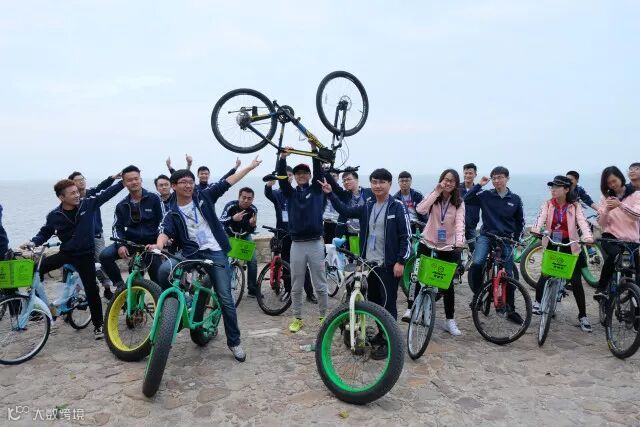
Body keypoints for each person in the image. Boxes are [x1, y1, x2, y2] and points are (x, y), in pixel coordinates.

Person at [153, 157, 262, 362]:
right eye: (183, 182)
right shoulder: (172, 212)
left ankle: (234, 342)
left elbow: (229, 181)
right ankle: (178, 306)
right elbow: (164, 232)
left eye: (191, 181)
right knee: (164, 270)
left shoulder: (204, 196)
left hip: (215, 251)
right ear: (174, 186)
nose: (188, 185)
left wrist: (248, 167)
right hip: (191, 253)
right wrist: (158, 246)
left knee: (225, 298)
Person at [320, 168, 411, 358]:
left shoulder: (397, 206)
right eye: (374, 182)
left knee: (388, 304)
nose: (378, 186)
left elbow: (406, 236)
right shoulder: (367, 205)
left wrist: (401, 261)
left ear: (389, 184)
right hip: (369, 265)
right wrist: (330, 194)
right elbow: (345, 211)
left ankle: (389, 342)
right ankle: (382, 333)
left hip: (388, 265)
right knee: (375, 302)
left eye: (382, 182)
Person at [22, 177, 124, 339]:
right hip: (67, 253)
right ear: (61, 197)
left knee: (91, 290)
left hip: (85, 255)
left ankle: (98, 325)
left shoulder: (88, 204)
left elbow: (106, 194)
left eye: (77, 192)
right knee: (36, 268)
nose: (77, 195)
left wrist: (122, 183)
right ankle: (43, 307)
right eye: (72, 193)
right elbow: (45, 232)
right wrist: (33, 242)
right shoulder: (55, 215)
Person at [401, 169, 466, 335]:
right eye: (445, 179)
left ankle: (450, 320)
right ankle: (410, 308)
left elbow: (460, 223)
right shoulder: (434, 196)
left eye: (452, 180)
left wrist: (459, 241)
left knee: (447, 284)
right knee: (416, 276)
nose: (448, 183)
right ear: (441, 180)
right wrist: (436, 191)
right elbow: (421, 209)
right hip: (427, 242)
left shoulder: (459, 202)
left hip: (447, 246)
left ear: (456, 184)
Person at [530, 175, 595, 332]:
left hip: (570, 245)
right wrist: (536, 229)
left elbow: (582, 222)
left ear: (566, 189)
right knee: (545, 274)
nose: (553, 190)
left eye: (556, 187)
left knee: (576, 280)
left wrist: (587, 237)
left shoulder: (575, 206)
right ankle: (538, 302)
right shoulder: (548, 204)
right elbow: (540, 218)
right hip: (552, 242)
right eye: (552, 187)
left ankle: (583, 316)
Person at [276, 145, 329, 333]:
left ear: (309, 175)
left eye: (304, 173)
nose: (301, 175)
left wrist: (313, 149)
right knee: (296, 285)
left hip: (315, 243)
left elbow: (318, 172)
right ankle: (297, 318)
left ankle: (324, 316)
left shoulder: (316, 190)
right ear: (295, 176)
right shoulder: (290, 193)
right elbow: (281, 178)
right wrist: (283, 158)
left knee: (320, 284)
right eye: (298, 173)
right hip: (297, 245)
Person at [464, 166, 525, 324]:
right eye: (494, 178)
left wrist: (517, 238)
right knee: (477, 263)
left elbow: (520, 222)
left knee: (509, 274)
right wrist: (479, 185)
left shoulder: (515, 199)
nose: (497, 181)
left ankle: (510, 309)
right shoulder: (485, 195)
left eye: (500, 177)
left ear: (507, 178)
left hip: (506, 239)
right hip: (486, 235)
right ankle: (479, 295)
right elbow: (466, 198)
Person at [100, 165, 165, 292]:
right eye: (130, 180)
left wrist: (159, 242)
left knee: (157, 281)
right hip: (131, 242)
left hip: (151, 244)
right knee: (105, 256)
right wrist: (120, 245)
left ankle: (161, 300)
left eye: (136, 178)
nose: (134, 182)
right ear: (124, 183)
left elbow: (163, 221)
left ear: (141, 179)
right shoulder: (122, 205)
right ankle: (120, 286)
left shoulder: (154, 198)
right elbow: (117, 227)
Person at [264, 170, 316, 302]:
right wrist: (269, 185)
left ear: (292, 177)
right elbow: (268, 194)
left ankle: (309, 293)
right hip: (282, 234)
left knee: (303, 264)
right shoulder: (277, 194)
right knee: (285, 264)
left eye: (290, 175)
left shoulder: (296, 193)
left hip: (297, 235)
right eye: (284, 175)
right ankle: (288, 291)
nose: (287, 177)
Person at [69, 171, 121, 298]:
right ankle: (87, 289)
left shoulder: (91, 194)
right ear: (72, 183)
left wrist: (112, 178)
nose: (81, 181)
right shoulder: (72, 200)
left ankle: (107, 288)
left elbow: (101, 188)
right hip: (81, 239)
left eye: (82, 179)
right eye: (77, 180)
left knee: (102, 260)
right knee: (84, 265)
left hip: (96, 235)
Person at [594, 166, 640, 297]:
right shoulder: (605, 198)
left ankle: (634, 299)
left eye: (614, 181)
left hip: (631, 240)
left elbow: (637, 215)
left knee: (636, 271)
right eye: (609, 183)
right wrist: (606, 210)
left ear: (621, 178)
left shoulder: (636, 195)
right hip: (611, 237)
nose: (612, 185)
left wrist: (620, 205)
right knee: (614, 255)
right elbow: (602, 223)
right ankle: (601, 288)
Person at [220, 187, 259, 297]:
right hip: (229, 234)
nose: (246, 201)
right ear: (239, 197)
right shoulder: (230, 206)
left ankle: (252, 289)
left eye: (249, 198)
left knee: (253, 260)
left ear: (252, 199)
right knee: (226, 260)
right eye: (244, 197)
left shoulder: (253, 209)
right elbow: (221, 220)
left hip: (244, 235)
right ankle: (223, 287)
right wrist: (233, 218)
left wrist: (252, 225)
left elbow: (251, 229)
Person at [324, 169, 374, 252]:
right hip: (347, 234)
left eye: (349, 179)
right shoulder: (344, 195)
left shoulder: (369, 192)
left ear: (357, 180)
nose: (346, 182)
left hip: (366, 234)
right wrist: (326, 172)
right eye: (344, 181)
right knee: (348, 257)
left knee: (364, 256)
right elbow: (334, 186)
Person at [459, 163, 481, 253]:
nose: (468, 175)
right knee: (455, 251)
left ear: (475, 174)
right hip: (456, 226)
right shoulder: (456, 188)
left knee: (475, 252)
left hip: (471, 227)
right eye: (466, 173)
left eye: (470, 173)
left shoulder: (479, 191)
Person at [322, 169, 341, 243]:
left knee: (338, 246)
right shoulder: (323, 190)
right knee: (327, 246)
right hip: (326, 222)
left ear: (338, 177)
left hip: (337, 223)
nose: (332, 178)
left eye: (334, 176)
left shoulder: (340, 191)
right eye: (330, 176)